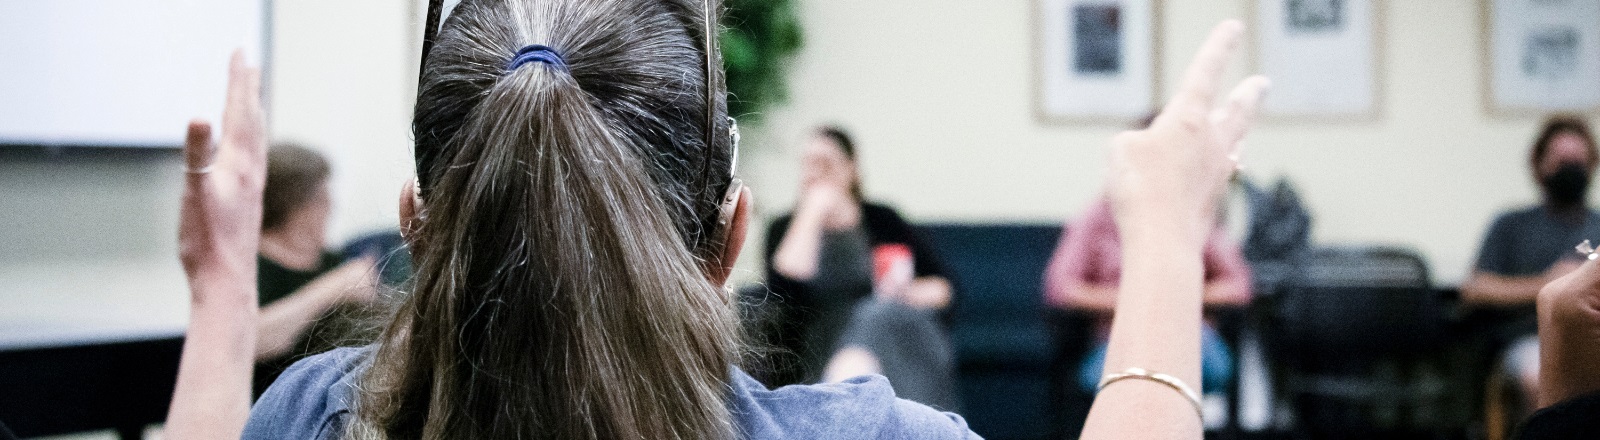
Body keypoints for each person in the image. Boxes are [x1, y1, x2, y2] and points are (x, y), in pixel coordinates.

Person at [161, 6, 1266, 438]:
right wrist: (1166, 234)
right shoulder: (864, 437)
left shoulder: (311, 413)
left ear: (417, 222)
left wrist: (220, 302)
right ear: (730, 231)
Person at [763, 126, 957, 408]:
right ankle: (841, 396)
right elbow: (782, 286)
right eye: (808, 164)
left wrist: (904, 291)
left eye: (825, 163)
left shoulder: (883, 219)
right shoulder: (785, 227)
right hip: (822, 337)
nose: (815, 173)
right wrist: (812, 212)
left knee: (875, 313)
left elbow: (945, 290)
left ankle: (836, 403)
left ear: (851, 168)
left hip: (895, 330)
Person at [1044, 194, 1251, 395]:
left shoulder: (1192, 214)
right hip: (1117, 339)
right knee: (1138, 363)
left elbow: (1239, 287)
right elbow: (1061, 288)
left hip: (1190, 337)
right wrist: (1137, 301)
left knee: (1174, 359)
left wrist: (1177, 298)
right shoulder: (1097, 217)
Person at [1462, 116, 1600, 418]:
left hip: (1593, 338)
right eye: (1561, 159)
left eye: (1578, 159)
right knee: (1540, 375)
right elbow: (1474, 289)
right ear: (1539, 165)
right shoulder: (1511, 225)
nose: (1571, 168)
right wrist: (1550, 283)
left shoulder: (1598, 225)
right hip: (1529, 340)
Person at [252, 142, 377, 397]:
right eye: (321, 198)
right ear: (296, 206)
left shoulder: (338, 261)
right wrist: (333, 288)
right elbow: (251, 341)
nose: (330, 207)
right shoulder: (250, 269)